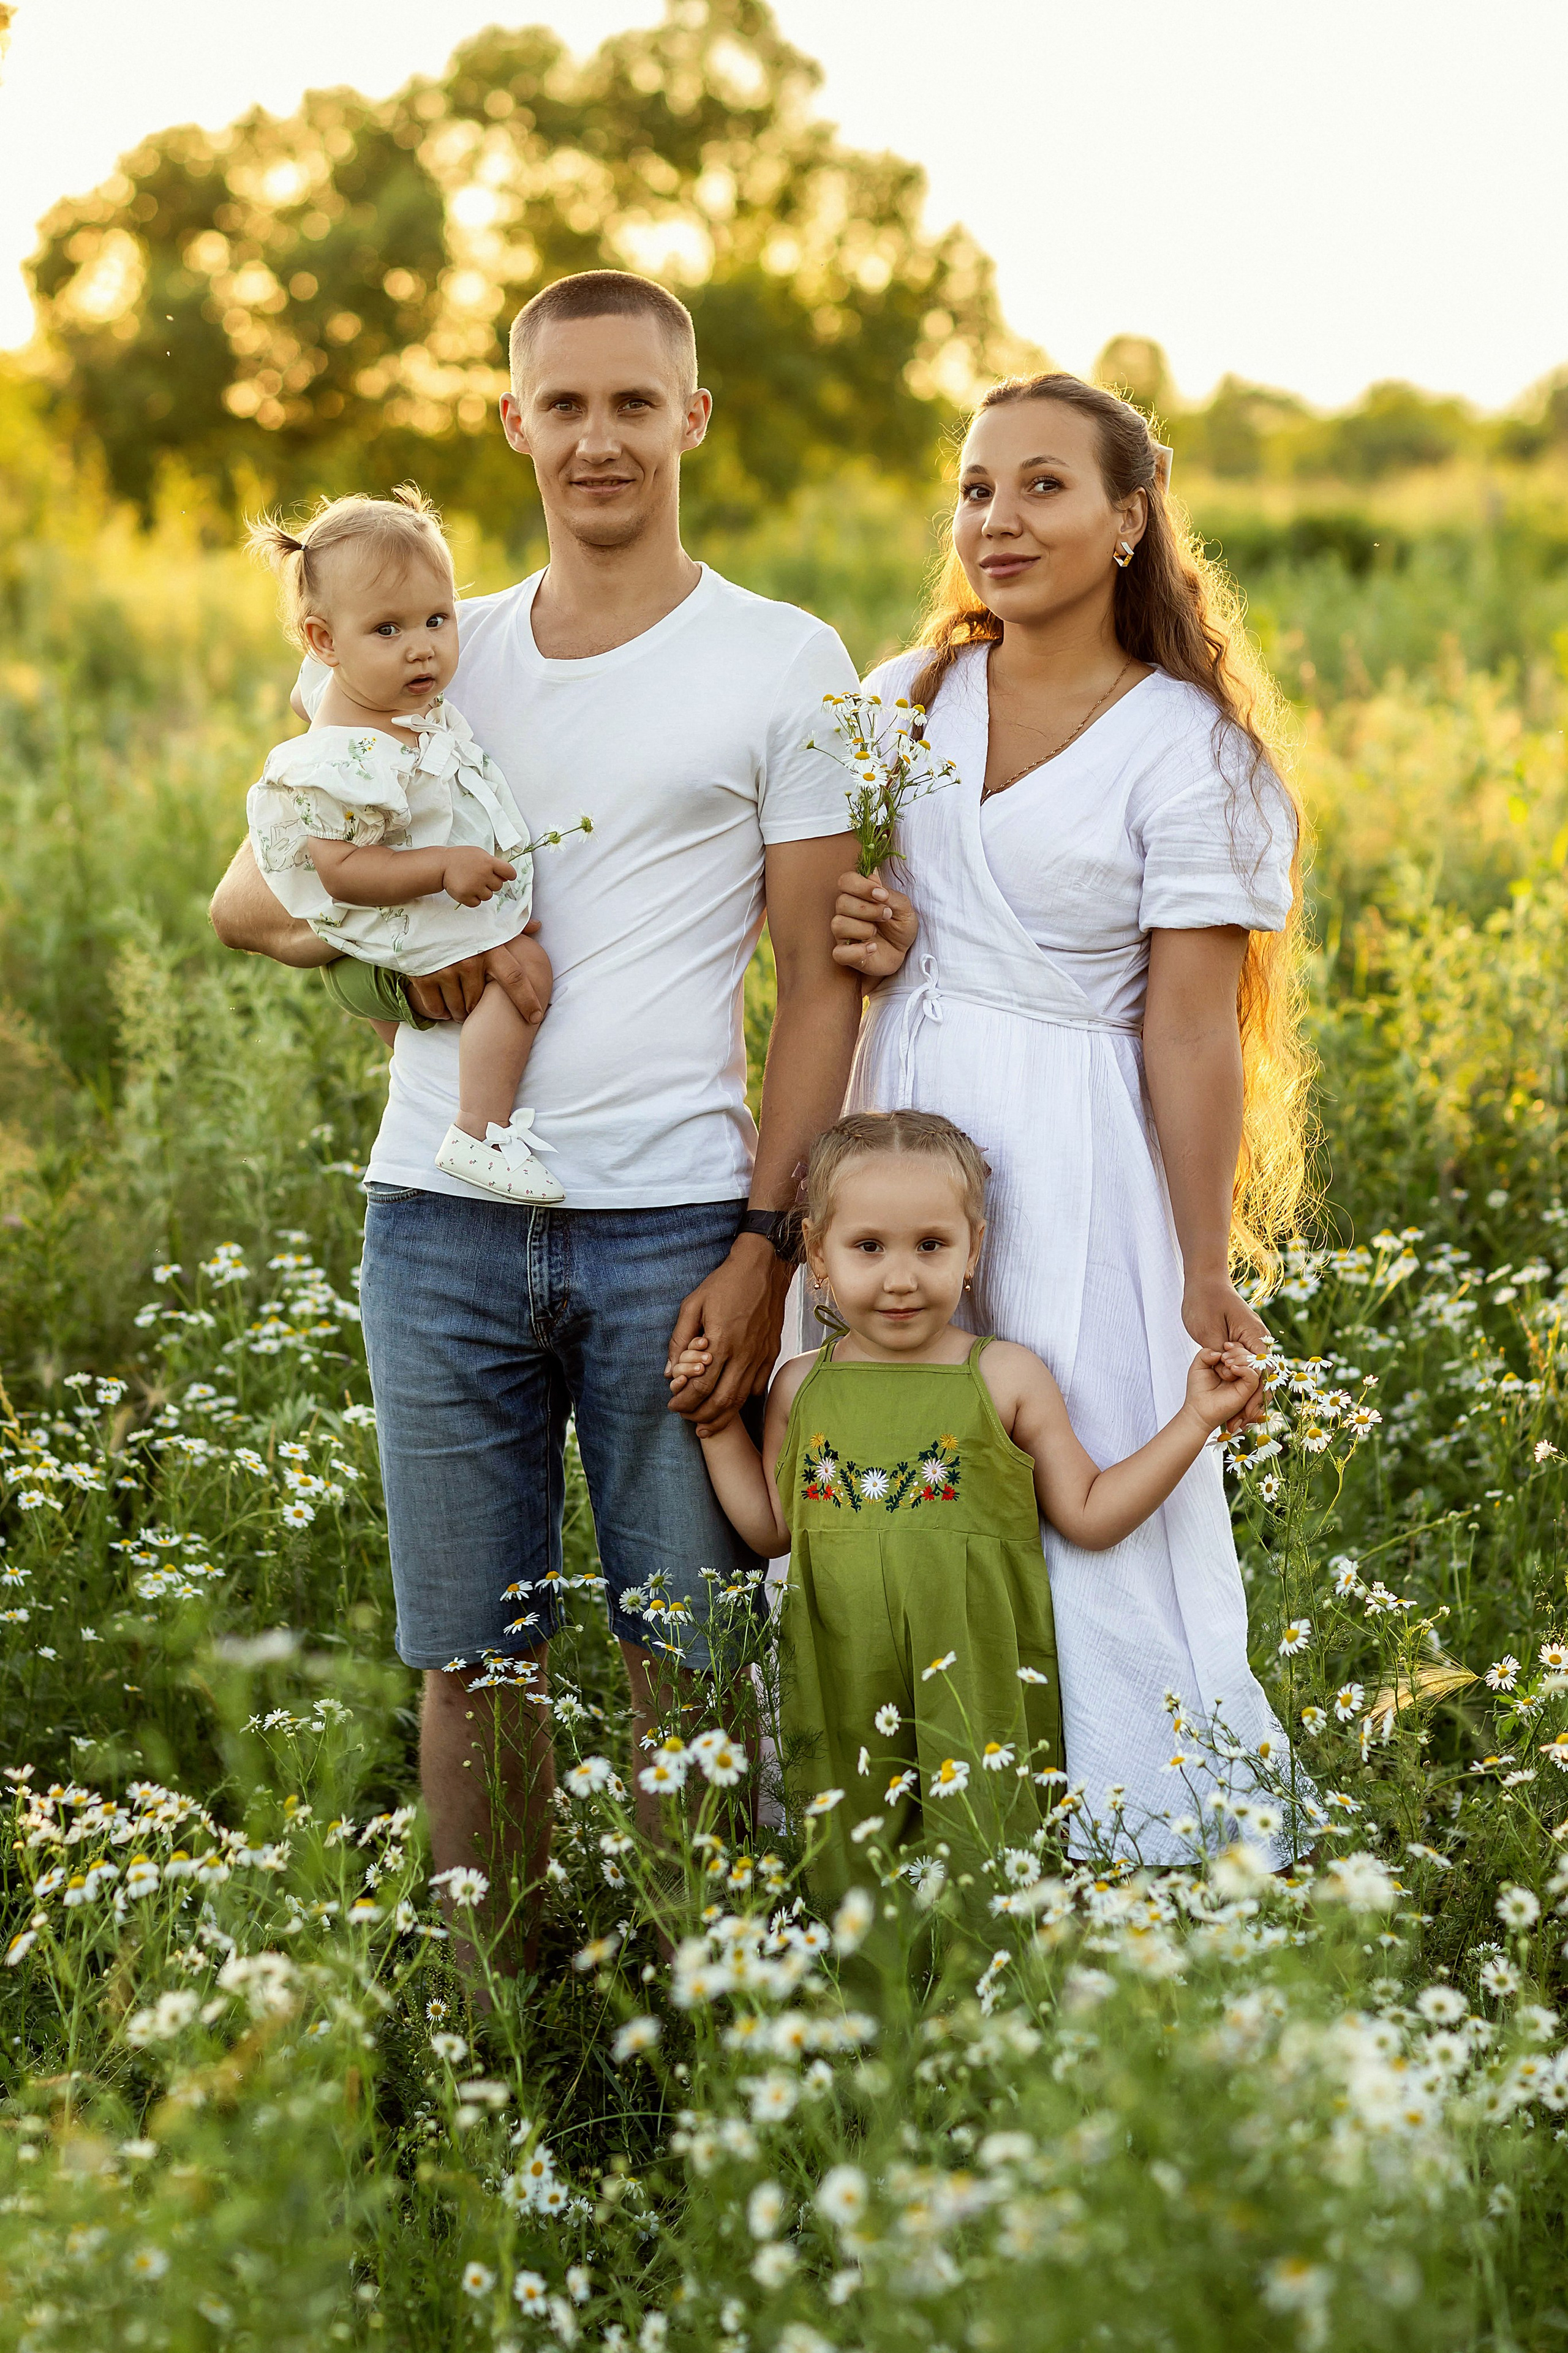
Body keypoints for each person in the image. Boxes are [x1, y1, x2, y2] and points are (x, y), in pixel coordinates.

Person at [209, 270, 864, 1965]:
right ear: (513, 422)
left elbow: (820, 980)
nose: (598, 439)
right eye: (562, 404)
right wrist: (397, 950)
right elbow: (258, 896)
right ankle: (497, 2027)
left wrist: (768, 1246)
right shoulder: (431, 645)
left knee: (687, 1650)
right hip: (437, 1219)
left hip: (676, 1228)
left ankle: (705, 2015)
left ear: (690, 417)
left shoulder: (783, 659)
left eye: (633, 402)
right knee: (469, 1653)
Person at [827, 373, 1314, 1864]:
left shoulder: (1189, 749)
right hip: (899, 1128)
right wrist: (875, 934)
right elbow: (849, 924)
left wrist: (1199, 1265)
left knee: (1073, 1469)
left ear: (1126, 519)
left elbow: (1189, 1028)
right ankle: (894, 1821)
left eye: (1044, 486)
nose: (999, 519)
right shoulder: (901, 697)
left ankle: (1125, 1836)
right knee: (891, 1461)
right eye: (976, 488)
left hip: (1076, 1150)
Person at [670, 1109, 1262, 1895]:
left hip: (976, 1684)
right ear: (817, 1253)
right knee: (851, 1882)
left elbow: (1090, 1514)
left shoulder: (1005, 1376)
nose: (901, 1278)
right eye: (868, 1246)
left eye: (931, 1245)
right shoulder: (800, 1383)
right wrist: (716, 1428)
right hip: (838, 1678)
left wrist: (1193, 1419)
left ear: (973, 1249)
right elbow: (771, 1530)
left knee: (984, 1877)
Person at [245, 486, 568, 1205]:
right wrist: (443, 866)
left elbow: (313, 692)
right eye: (387, 629)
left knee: (471, 1001)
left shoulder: (375, 696)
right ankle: (479, 1131)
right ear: (324, 642)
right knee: (524, 973)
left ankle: (441, 1092)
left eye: (437, 619)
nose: (422, 646)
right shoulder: (343, 755)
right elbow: (341, 870)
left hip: (392, 918)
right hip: (377, 914)